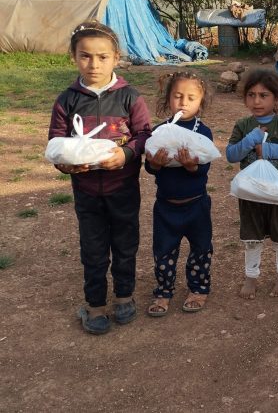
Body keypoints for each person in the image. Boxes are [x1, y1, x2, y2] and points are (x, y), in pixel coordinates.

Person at [48, 20, 152, 335]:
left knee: (125, 244)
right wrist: (67, 165)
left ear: (116, 57)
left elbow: (145, 135)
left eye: (102, 57)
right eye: (85, 56)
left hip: (123, 188)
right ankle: (94, 306)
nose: (94, 64)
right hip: (87, 192)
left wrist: (127, 154)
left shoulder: (130, 98)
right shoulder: (67, 100)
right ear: (73, 57)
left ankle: (124, 298)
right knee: (92, 248)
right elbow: (55, 143)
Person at [226, 68, 278, 299]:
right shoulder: (243, 125)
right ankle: (251, 276)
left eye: (264, 95)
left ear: (277, 98)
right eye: (251, 95)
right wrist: (250, 139)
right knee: (252, 236)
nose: (257, 100)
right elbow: (231, 155)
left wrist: (267, 149)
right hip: (250, 190)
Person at [144, 71, 215, 316]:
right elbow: (149, 167)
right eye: (178, 96)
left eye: (191, 97)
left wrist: (191, 166)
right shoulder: (160, 131)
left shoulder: (202, 133)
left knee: (201, 249)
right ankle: (163, 292)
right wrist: (155, 164)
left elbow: (205, 167)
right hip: (166, 206)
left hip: (196, 205)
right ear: (168, 99)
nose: (183, 102)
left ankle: (199, 288)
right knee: (163, 252)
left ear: (201, 101)